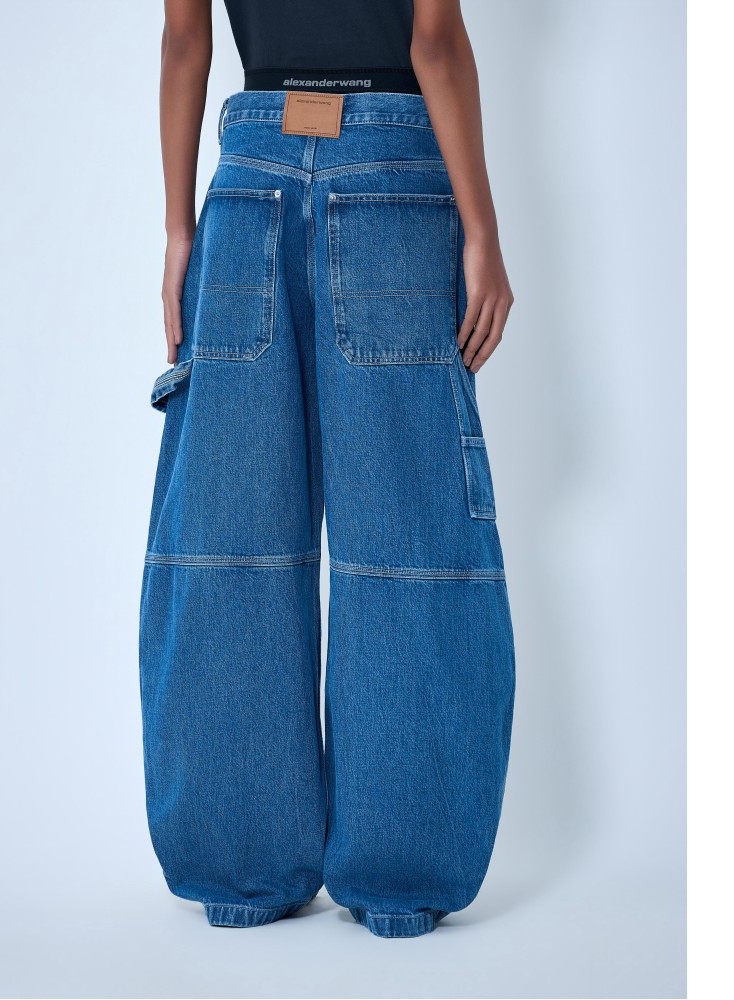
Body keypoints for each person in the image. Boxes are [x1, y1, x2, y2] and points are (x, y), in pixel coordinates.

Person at [140, 0, 516, 939]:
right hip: (393, 179)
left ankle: (240, 870)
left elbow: (185, 38)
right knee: (410, 539)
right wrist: (482, 230)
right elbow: (434, 39)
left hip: (249, 181)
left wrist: (181, 230)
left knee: (229, 543)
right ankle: (400, 879)